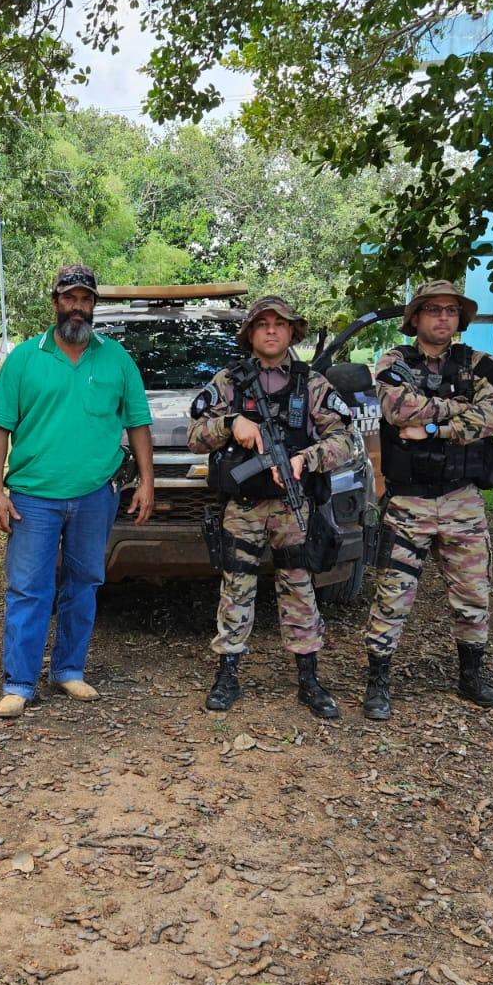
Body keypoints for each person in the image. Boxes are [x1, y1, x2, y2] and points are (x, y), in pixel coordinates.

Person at [0, 264, 154, 719]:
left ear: (94, 305)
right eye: (69, 298)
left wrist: (148, 482)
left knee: (84, 584)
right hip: (32, 497)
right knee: (28, 588)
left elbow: (138, 424)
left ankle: (69, 670)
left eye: (85, 299)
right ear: (55, 301)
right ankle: (19, 682)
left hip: (96, 494)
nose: (77, 307)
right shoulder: (24, 357)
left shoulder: (116, 358)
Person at [187, 295, 356, 717]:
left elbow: (343, 439)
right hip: (243, 506)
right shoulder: (229, 381)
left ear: (292, 331)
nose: (271, 330)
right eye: (262, 323)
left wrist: (306, 459)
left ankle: (309, 678)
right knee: (237, 587)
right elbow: (195, 435)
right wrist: (231, 424)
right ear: (250, 333)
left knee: (299, 586)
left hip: (291, 505)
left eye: (279, 323)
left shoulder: (311, 383)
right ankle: (227, 673)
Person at [363, 278, 493, 719]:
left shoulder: (482, 364)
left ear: (459, 318)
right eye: (433, 310)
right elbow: (397, 411)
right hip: (410, 503)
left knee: (473, 593)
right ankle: (378, 683)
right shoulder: (394, 362)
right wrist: (459, 409)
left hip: (462, 500)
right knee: (393, 596)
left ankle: (472, 678)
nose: (443, 317)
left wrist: (433, 428)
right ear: (415, 319)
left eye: (450, 310)